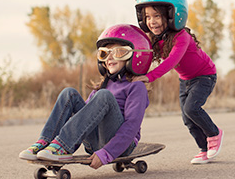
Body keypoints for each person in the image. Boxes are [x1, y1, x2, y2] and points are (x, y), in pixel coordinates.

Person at [19, 24, 153, 169]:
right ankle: (46, 142)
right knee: (68, 93)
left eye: (118, 52)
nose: (109, 58)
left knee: (104, 96)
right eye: (104, 53)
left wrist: (107, 153)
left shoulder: (136, 87)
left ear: (136, 55)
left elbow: (131, 127)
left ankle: (62, 145)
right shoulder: (103, 86)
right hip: (94, 142)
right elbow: (85, 118)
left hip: (122, 146)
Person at [133, 0, 224, 164]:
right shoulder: (155, 38)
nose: (152, 21)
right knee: (187, 118)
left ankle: (214, 133)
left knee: (192, 108)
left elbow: (171, 62)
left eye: (157, 16)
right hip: (186, 79)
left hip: (204, 76)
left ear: (173, 14)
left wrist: (149, 77)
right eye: (148, 17)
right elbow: (143, 56)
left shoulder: (182, 37)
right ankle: (204, 149)